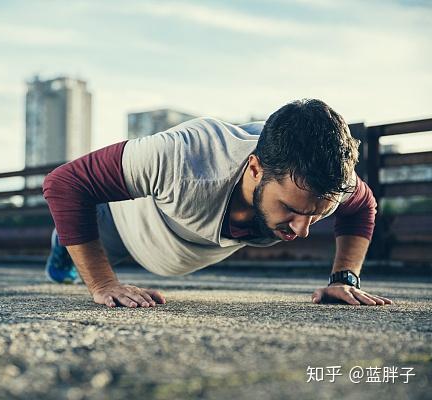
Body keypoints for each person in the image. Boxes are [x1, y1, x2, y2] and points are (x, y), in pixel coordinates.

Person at [42, 99, 393, 308]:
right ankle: (63, 243)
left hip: (190, 248)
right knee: (81, 237)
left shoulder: (326, 181)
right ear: (255, 168)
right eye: (292, 209)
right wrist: (103, 284)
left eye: (318, 214)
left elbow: (363, 207)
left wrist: (344, 277)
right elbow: (65, 182)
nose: (302, 230)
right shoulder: (183, 156)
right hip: (127, 227)